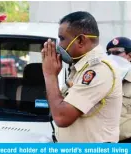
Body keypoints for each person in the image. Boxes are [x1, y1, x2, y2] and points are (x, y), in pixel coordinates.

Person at [41, 11, 123, 142]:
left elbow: (62, 117)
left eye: (62, 38)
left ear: (80, 40)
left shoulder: (99, 70)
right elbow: (58, 103)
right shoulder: (80, 67)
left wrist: (50, 75)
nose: (59, 46)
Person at [106, 37, 131, 143]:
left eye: (117, 53)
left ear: (130, 55)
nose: (112, 57)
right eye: (109, 53)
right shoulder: (103, 79)